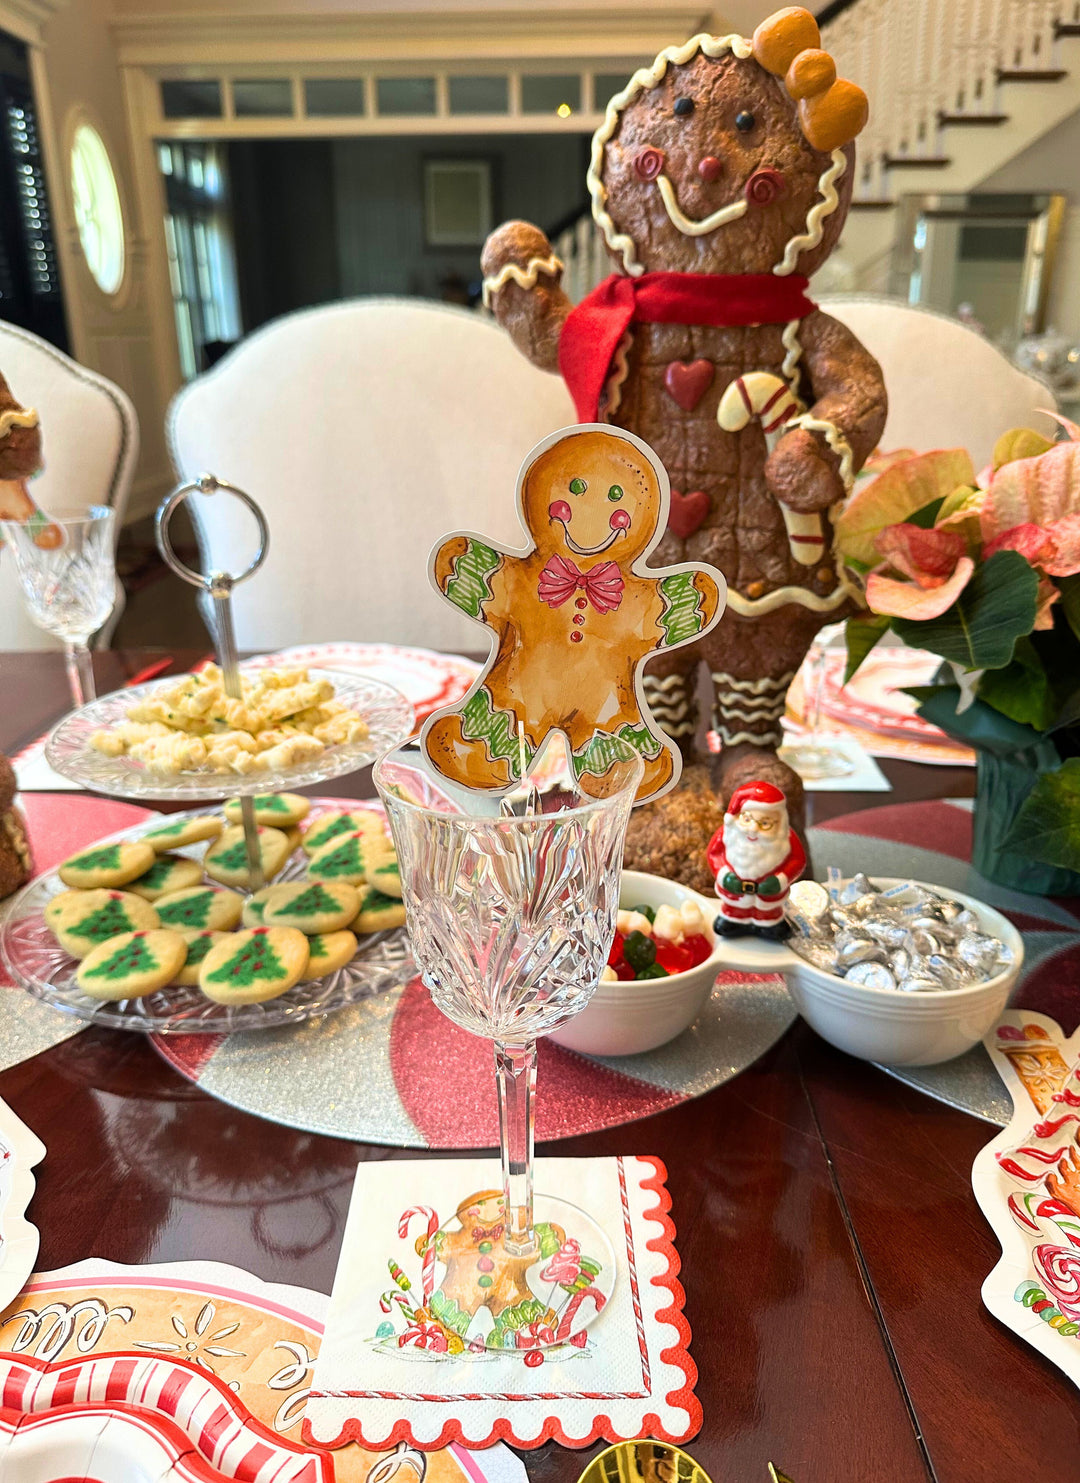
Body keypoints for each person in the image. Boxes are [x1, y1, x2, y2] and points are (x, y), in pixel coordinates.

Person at [706, 779, 805, 939]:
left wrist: (781, 880)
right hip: (734, 894)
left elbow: (798, 861)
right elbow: (714, 855)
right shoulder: (728, 834)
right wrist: (725, 876)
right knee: (734, 908)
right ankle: (733, 919)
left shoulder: (785, 838)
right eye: (746, 819)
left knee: (768, 911)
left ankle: (769, 924)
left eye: (765, 823)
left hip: (769, 897)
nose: (753, 829)